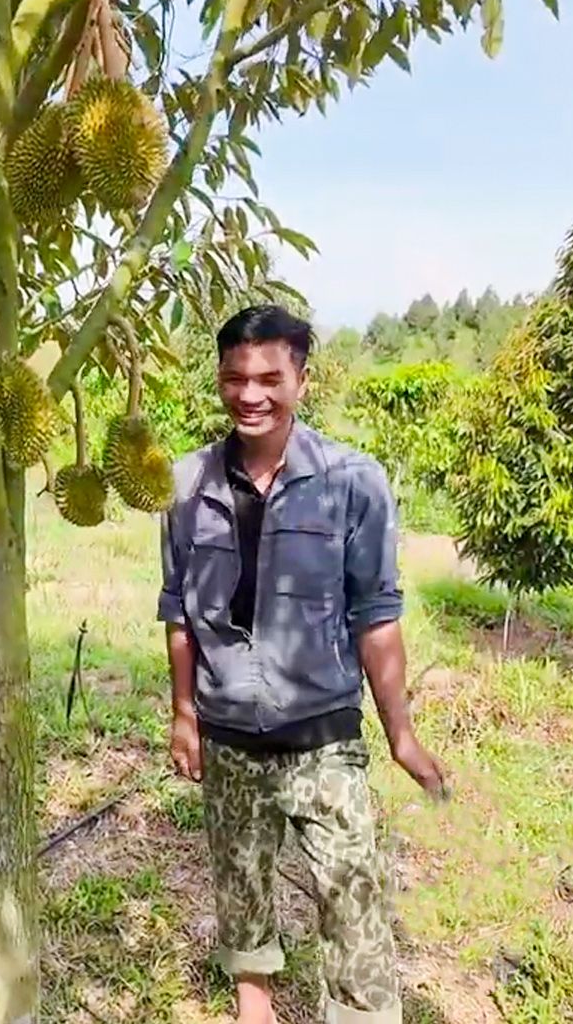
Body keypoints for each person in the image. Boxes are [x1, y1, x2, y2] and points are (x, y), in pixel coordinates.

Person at [158, 304, 448, 1024]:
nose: (249, 395)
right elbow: (178, 614)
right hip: (227, 733)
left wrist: (400, 734)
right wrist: (183, 714)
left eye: (268, 378)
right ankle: (252, 1010)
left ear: (301, 381)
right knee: (241, 888)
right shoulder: (185, 485)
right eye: (234, 378)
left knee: (353, 896)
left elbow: (376, 616)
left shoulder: (353, 482)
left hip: (322, 734)